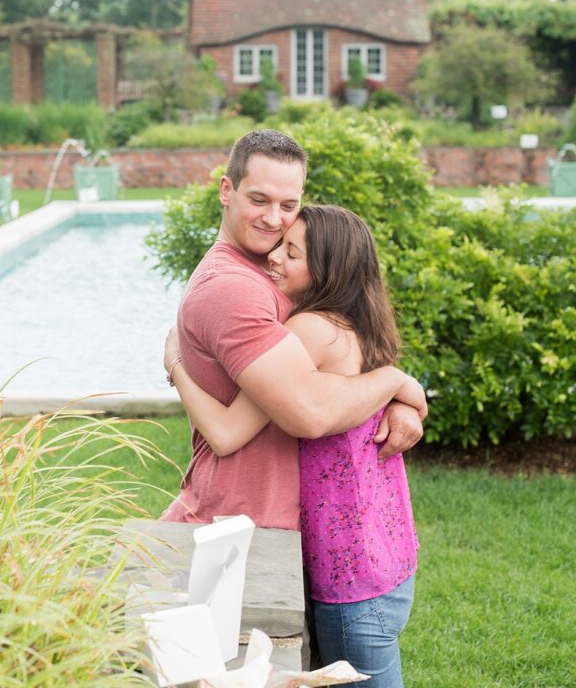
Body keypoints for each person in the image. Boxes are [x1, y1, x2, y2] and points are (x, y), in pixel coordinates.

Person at [165, 204, 420, 688]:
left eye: (292, 252)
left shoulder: (308, 331)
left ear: (327, 269)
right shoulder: (359, 325)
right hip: (385, 558)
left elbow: (225, 433)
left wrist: (176, 363)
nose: (273, 258)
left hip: (349, 578)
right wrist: (404, 393)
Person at [159, 128, 425, 532]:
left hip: (285, 524)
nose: (273, 219)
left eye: (288, 205)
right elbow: (310, 412)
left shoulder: (282, 275)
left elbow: (338, 368)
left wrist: (397, 399)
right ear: (226, 190)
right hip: (241, 525)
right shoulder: (232, 288)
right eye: (258, 200)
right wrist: (392, 382)